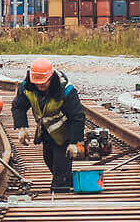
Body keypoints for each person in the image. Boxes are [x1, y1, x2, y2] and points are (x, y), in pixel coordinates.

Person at [11, 58, 85, 193]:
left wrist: (75, 142)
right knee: (48, 158)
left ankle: (60, 191)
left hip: (64, 132)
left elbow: (78, 116)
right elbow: (18, 106)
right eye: (37, 84)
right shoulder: (28, 86)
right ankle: (65, 181)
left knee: (60, 164)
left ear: (51, 78)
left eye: (43, 84)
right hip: (46, 131)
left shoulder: (66, 90)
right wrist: (21, 127)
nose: (40, 87)